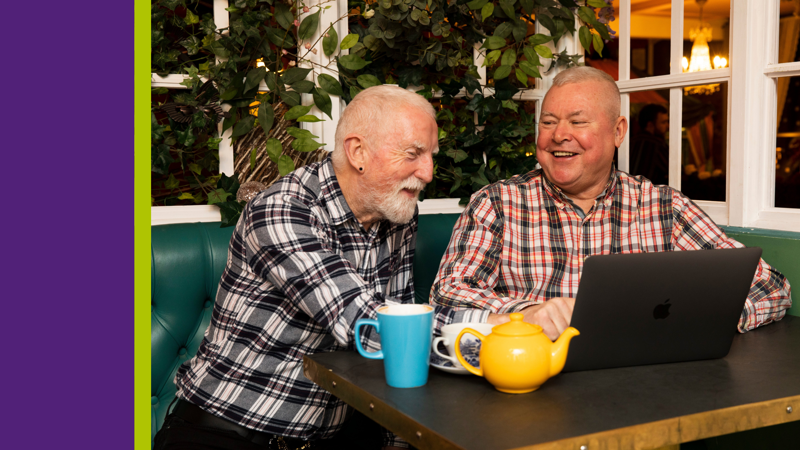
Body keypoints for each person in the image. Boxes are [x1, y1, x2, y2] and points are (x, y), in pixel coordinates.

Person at [154, 85, 487, 450]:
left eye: (431, 156)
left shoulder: (396, 214)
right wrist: (492, 330)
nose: (427, 172)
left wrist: (399, 441)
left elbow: (398, 330)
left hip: (331, 435)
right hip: (226, 430)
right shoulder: (282, 209)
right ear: (358, 152)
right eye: (413, 154)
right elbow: (368, 323)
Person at [430, 66, 792, 340]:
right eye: (549, 122)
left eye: (577, 121)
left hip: (641, 392)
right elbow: (445, 300)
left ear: (618, 131)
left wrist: (689, 320)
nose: (559, 135)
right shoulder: (497, 204)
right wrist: (526, 313)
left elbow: (770, 285)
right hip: (530, 389)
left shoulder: (665, 208)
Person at [629, 103, 669, 185]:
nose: (667, 126)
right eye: (663, 122)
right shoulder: (658, 145)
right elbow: (674, 170)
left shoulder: (629, 142)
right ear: (650, 125)